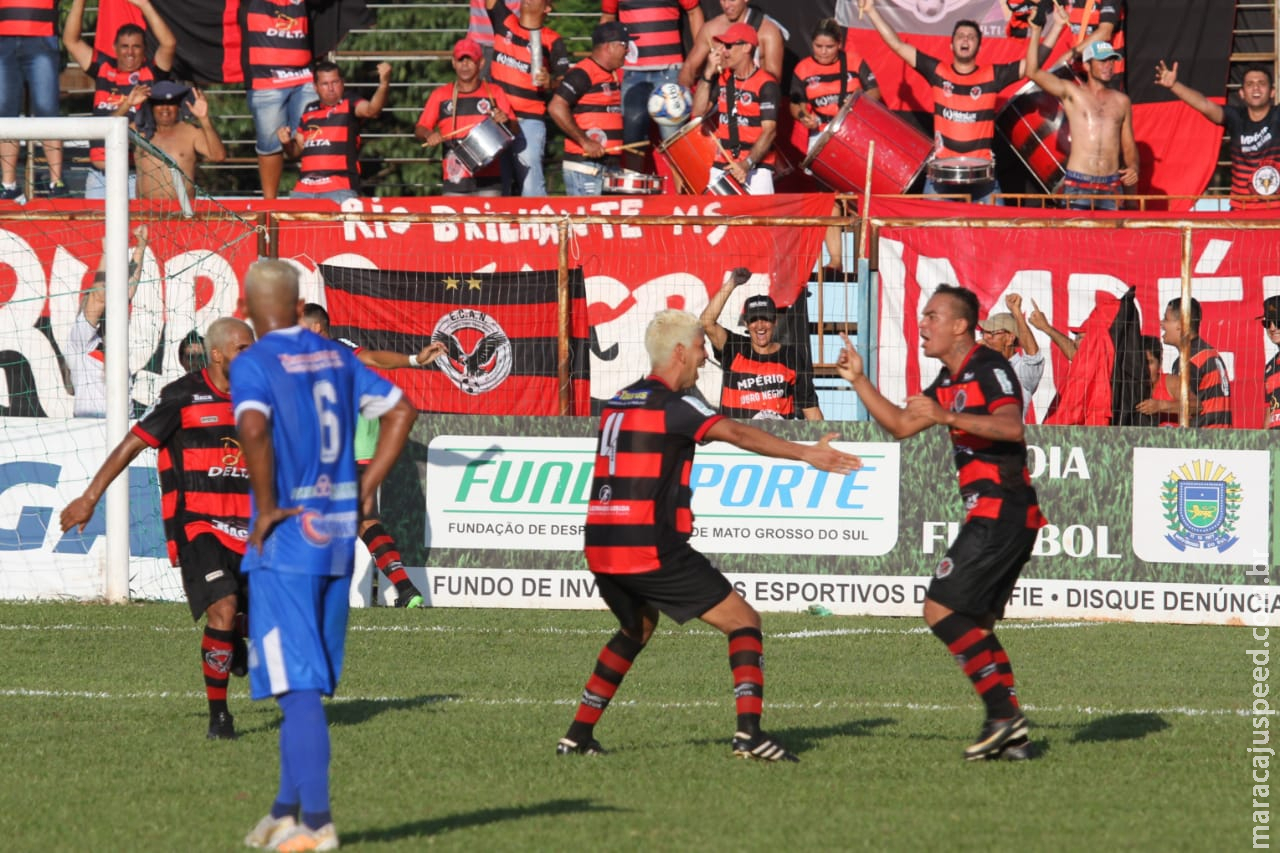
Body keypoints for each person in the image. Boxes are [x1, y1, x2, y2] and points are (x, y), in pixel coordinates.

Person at [556, 308, 861, 762]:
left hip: (601, 543)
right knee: (744, 621)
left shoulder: (621, 398)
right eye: (701, 348)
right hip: (646, 544)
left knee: (634, 629)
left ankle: (577, 736)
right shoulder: (676, 403)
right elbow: (735, 431)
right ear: (680, 351)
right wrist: (805, 453)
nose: (704, 358)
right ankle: (750, 736)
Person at [234, 260, 416, 851]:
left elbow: (255, 432)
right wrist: (366, 488)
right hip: (337, 539)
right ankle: (285, 810)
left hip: (286, 541)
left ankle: (316, 824)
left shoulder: (254, 362)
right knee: (305, 685)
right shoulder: (337, 356)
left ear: (247, 306)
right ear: (296, 304)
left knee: (298, 688)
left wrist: (264, 505)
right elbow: (402, 410)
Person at [836, 284, 1046, 761]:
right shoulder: (948, 379)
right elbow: (902, 424)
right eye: (921, 316)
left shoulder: (990, 369)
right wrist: (859, 380)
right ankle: (1011, 733)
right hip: (1000, 513)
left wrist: (948, 416)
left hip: (1002, 509)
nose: (923, 324)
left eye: (932, 316)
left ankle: (1003, 716)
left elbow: (1013, 427)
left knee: (939, 610)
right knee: (976, 622)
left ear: (960, 326)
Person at [60, 317, 256, 740]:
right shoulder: (182, 396)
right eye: (243, 348)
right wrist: (90, 497)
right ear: (218, 354)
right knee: (222, 607)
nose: (251, 354)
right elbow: (133, 443)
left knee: (252, 618)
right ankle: (219, 718)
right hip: (199, 522)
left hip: (250, 524)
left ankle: (236, 635)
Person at [300, 302, 446, 607]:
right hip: (357, 455)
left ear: (316, 328)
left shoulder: (337, 351)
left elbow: (374, 358)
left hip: (343, 456)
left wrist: (413, 360)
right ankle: (406, 590)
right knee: (365, 522)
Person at [860, 0, 1063, 204]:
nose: (965, 40)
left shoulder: (992, 76)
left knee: (993, 234)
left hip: (983, 179)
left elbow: (1032, 65)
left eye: (971, 37)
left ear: (979, 45)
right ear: (951, 44)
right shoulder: (938, 72)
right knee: (932, 234)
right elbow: (897, 45)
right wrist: (871, 11)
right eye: (960, 36)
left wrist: (1057, 27)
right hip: (941, 179)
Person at [63, 0, 177, 200]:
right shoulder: (104, 69)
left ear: (144, 50)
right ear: (115, 48)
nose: (130, 52)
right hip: (98, 176)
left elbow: (169, 43)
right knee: (95, 232)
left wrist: (144, 6)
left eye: (136, 47)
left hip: (133, 175)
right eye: (124, 46)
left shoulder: (151, 74)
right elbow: (71, 41)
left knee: (134, 232)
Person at [790, 17, 879, 272]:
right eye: (818, 46)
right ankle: (836, 260)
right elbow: (794, 103)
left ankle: (864, 258)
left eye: (829, 47)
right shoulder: (803, 68)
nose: (823, 52)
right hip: (820, 137)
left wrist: (855, 103)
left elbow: (875, 92)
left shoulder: (854, 62)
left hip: (851, 135)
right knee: (828, 198)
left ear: (838, 45)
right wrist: (801, 116)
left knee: (855, 198)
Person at [1027, 16, 1138, 211]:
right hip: (1078, 184)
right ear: (1087, 65)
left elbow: (1129, 147)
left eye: (1111, 60)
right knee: (1074, 241)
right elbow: (1032, 71)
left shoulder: (1122, 101)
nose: (1108, 65)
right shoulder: (1072, 92)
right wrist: (1036, 32)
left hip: (1111, 186)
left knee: (1110, 241)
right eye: (1102, 61)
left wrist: (1134, 168)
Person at [700, 268, 823, 420]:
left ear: (775, 322)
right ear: (746, 324)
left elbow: (811, 409)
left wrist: (824, 442)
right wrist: (732, 283)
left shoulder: (791, 357)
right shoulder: (734, 347)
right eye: (753, 320)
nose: (760, 326)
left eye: (765, 318)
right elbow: (706, 322)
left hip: (776, 440)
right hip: (736, 440)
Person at [1155, 63, 1280, 210]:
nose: (1256, 88)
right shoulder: (1235, 117)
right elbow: (1204, 104)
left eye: (1262, 84)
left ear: (1272, 92)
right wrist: (1174, 85)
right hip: (1241, 208)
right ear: (1241, 93)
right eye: (1250, 84)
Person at [487, 0, 571, 197]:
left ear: (547, 8)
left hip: (529, 121)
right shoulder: (505, 22)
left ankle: (539, 225)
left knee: (531, 187)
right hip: (496, 118)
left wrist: (550, 82)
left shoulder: (552, 39)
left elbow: (565, 83)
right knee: (499, 187)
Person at [277, 60, 392, 204]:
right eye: (325, 84)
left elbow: (372, 110)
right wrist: (286, 143)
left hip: (340, 189)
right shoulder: (308, 110)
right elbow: (296, 152)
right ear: (315, 87)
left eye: (335, 82)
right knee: (289, 225)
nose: (331, 88)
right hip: (304, 189)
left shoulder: (349, 102)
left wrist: (384, 84)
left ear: (342, 83)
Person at [416, 38, 515, 198]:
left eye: (470, 60)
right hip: (455, 178)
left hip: (489, 179)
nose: (465, 65)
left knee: (487, 222)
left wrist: (505, 121)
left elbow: (514, 129)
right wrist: (429, 135)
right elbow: (420, 128)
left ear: (481, 63)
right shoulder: (440, 95)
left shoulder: (495, 92)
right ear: (453, 63)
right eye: (460, 60)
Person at [602, 0, 704, 153]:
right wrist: (607, 64)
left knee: (674, 142)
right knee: (632, 142)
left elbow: (694, 12)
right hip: (631, 72)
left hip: (671, 71)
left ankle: (679, 177)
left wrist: (698, 58)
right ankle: (633, 178)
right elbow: (607, 20)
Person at [689, 23, 780, 195]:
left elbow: (770, 132)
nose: (723, 51)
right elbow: (698, 112)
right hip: (723, 163)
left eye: (729, 46)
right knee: (716, 220)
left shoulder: (766, 84)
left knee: (757, 221)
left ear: (746, 47)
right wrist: (708, 74)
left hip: (756, 167)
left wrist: (746, 164)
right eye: (722, 45)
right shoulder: (722, 78)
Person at [240, 0, 317, 200]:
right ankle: (270, 204)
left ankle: (310, 195)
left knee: (311, 139)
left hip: (305, 78)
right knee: (270, 144)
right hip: (265, 80)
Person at [68, 225, 148, 417]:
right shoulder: (82, 341)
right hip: (90, 429)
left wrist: (141, 247)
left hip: (123, 427)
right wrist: (108, 254)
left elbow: (126, 292)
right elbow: (99, 298)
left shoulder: (113, 344)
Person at [548, 21, 627, 197]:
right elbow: (556, 107)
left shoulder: (610, 74)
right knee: (588, 224)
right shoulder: (582, 72)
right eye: (624, 45)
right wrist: (585, 141)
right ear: (609, 46)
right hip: (586, 167)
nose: (628, 50)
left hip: (607, 166)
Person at [0, 0, 66, 201]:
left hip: (42, 36)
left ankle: (57, 183)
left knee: (47, 109)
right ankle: (8, 185)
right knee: (5, 111)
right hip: (3, 38)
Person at [1136, 296, 1231, 428]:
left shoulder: (1190, 361)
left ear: (1181, 325)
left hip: (1205, 438)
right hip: (1222, 436)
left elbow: (1193, 406)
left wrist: (1159, 405)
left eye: (1166, 319)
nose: (1161, 324)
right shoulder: (1209, 353)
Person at [135, 82, 228, 202]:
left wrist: (204, 119)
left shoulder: (192, 132)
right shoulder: (138, 132)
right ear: (151, 106)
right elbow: (106, 131)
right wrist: (127, 105)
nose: (165, 108)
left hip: (182, 212)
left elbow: (218, 156)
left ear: (179, 106)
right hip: (144, 212)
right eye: (159, 103)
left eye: (171, 103)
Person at [679, 0, 784, 92]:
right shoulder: (710, 29)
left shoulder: (768, 32)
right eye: (723, 0)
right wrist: (683, 96)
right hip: (720, 101)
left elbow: (773, 83)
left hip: (754, 103)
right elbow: (689, 68)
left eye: (732, 0)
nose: (726, 5)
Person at [977, 293, 1043, 421]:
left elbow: (1033, 356)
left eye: (992, 333)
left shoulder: (1021, 369)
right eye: (984, 333)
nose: (985, 337)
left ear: (1009, 338)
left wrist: (1016, 312)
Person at [1137, 334, 1177, 427]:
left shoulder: (1170, 383)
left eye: (1150, 362)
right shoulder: (1127, 388)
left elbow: (1196, 406)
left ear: (1160, 363)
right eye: (1142, 362)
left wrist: (1160, 406)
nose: (1145, 368)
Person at [1261, 295, 1280, 430]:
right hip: (1275, 444)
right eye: (1267, 323)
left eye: (1278, 321)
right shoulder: (1270, 367)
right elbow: (1270, 411)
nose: (1272, 328)